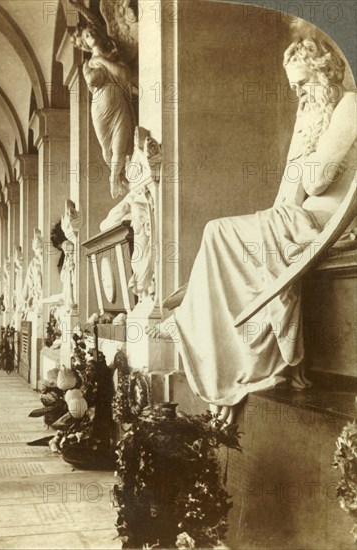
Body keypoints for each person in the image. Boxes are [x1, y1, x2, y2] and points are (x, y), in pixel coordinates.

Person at [146, 38, 357, 424]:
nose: (299, 94)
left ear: (325, 73)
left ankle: (193, 327)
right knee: (223, 234)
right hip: (294, 220)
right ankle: (208, 337)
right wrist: (268, 219)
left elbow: (318, 180)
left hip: (321, 223)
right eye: (293, 87)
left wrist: (306, 146)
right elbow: (287, 195)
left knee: (216, 231)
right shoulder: (316, 114)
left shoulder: (350, 106)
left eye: (303, 83)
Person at [72, 23, 135, 199]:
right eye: (86, 36)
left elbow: (125, 75)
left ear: (99, 34)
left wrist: (103, 61)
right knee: (107, 151)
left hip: (119, 105)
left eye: (92, 31)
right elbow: (92, 81)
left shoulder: (114, 55)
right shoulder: (87, 64)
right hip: (100, 109)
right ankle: (121, 177)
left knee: (120, 146)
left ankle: (114, 179)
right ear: (84, 44)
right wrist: (100, 62)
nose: (90, 35)